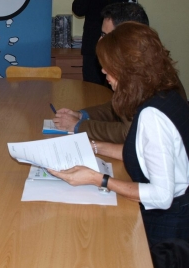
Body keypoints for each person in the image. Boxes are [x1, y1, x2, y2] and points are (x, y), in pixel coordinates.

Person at [49, 22, 189, 247]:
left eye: (109, 67)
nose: (103, 73)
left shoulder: (152, 116)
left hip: (170, 228)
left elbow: (162, 196)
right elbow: (141, 153)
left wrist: (99, 179)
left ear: (129, 70)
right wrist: (92, 147)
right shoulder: (165, 94)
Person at [54, 3, 186, 143]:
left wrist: (79, 126)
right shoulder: (141, 67)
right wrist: (83, 115)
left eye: (108, 36)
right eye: (101, 34)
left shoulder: (147, 79)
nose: (100, 41)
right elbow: (118, 106)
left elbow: (128, 133)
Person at [72, 0, 137, 85]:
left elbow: (136, 19)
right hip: (93, 53)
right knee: (91, 95)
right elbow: (78, 10)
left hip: (119, 53)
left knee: (118, 95)